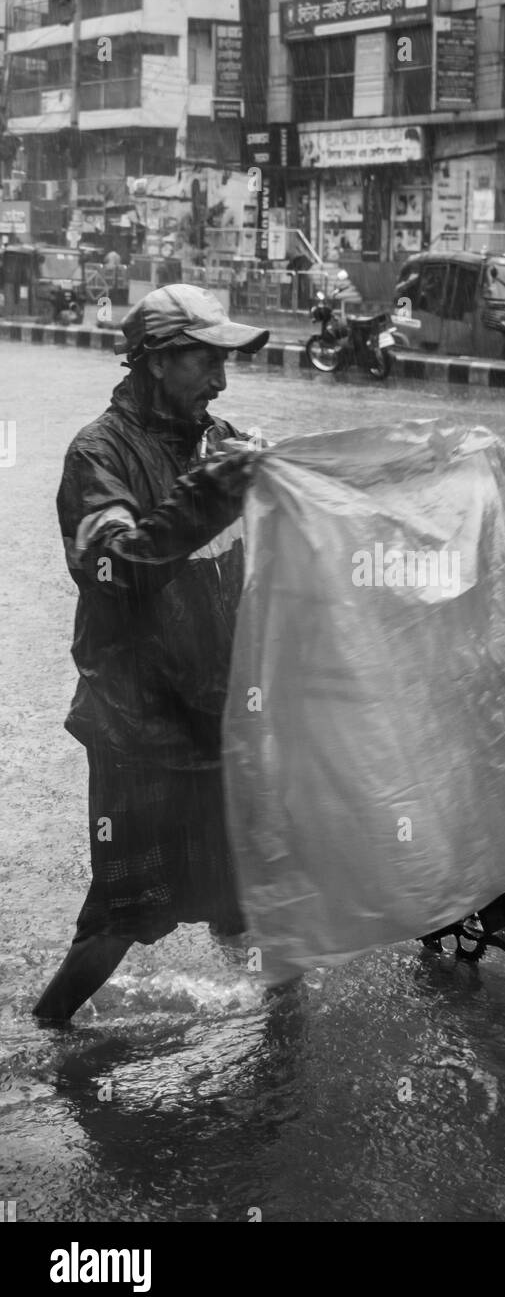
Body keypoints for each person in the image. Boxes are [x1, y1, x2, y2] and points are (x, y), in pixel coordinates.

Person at [32, 284, 270, 1024]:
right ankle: (48, 1038)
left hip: (217, 715)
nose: (221, 381)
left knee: (252, 897)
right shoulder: (96, 455)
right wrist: (209, 496)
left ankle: (273, 1062)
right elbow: (116, 571)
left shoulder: (218, 439)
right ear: (160, 361)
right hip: (138, 728)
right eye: (207, 360)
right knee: (120, 915)